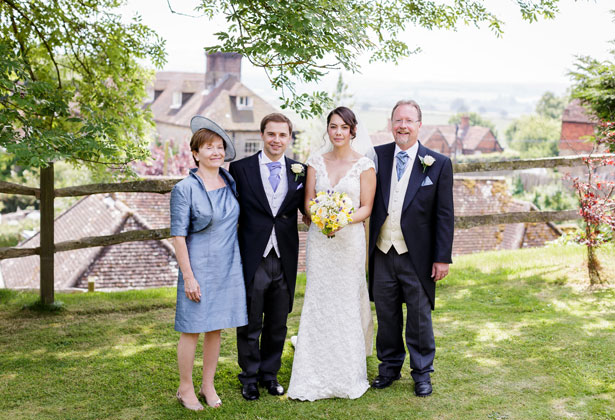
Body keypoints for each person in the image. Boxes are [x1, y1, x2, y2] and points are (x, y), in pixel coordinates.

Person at [287, 106, 377, 401]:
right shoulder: (315, 161)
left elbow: (366, 207)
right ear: (328, 130)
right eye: (333, 126)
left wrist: (340, 219)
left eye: (343, 127)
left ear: (353, 131)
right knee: (320, 297)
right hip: (320, 243)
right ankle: (312, 370)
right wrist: (320, 217)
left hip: (349, 242)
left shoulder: (364, 166)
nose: (338, 132)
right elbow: (308, 201)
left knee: (346, 300)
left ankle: (346, 372)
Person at [368, 100, 454, 397]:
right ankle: (389, 368)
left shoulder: (438, 163)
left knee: (419, 316)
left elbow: (444, 215)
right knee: (387, 314)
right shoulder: (376, 157)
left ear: (419, 125)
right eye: (397, 120)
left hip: (418, 255)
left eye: (408, 120)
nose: (402, 125)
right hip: (382, 251)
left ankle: (422, 373)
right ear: (390, 123)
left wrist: (442, 258)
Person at [170, 116, 248, 411]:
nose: (216, 152)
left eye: (220, 147)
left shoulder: (229, 182)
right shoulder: (184, 189)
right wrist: (189, 276)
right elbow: (178, 236)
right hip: (198, 266)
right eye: (209, 148)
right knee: (191, 329)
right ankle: (185, 387)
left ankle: (208, 384)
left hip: (227, 265)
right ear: (195, 153)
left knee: (215, 328)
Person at [229, 113, 307, 401]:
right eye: (271, 134)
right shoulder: (240, 169)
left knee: (278, 321)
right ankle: (249, 377)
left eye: (282, 135)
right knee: (250, 321)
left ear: (289, 138)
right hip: (254, 255)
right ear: (262, 135)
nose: (276, 140)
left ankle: (269, 375)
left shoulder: (300, 170)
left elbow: (307, 209)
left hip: (284, 256)